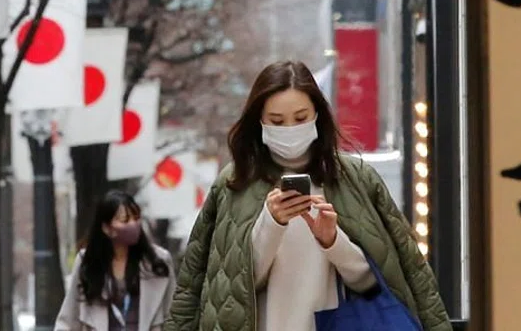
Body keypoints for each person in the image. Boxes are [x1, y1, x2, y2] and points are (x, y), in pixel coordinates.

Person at [165, 61, 451, 331]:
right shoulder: (234, 183)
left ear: (317, 114)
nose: (290, 129)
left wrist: (332, 241)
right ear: (259, 121)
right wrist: (271, 224)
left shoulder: (356, 179)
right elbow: (217, 287)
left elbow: (386, 281)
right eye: (277, 121)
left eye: (300, 118)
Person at [55, 190, 177, 331]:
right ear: (107, 228)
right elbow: (68, 320)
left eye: (136, 218)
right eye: (125, 220)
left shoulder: (158, 262)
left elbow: (175, 316)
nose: (133, 224)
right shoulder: (87, 263)